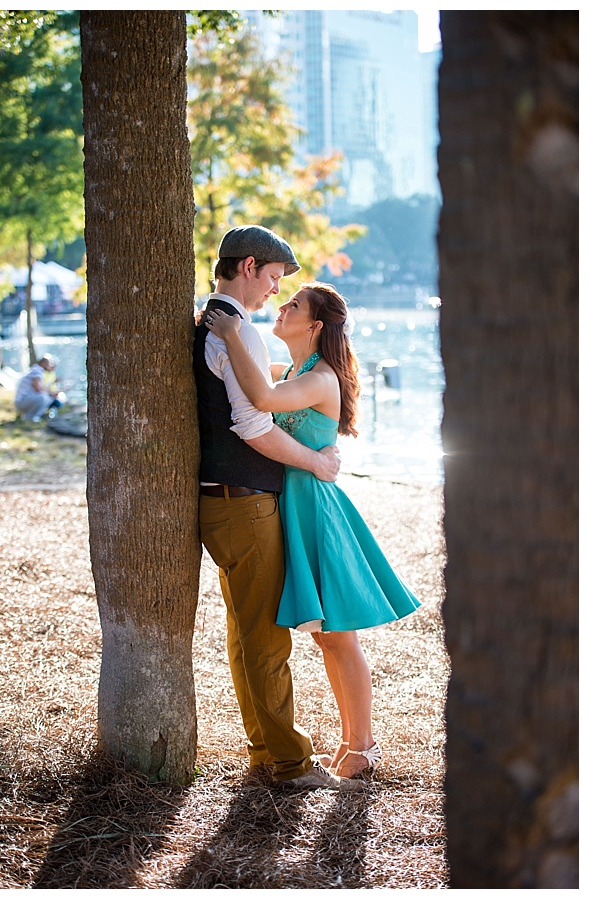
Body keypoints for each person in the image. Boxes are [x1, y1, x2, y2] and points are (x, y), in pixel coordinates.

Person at [204, 281, 420, 779]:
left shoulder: (321, 377)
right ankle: (354, 741)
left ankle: (363, 746)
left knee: (339, 636)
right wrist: (216, 330)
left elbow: (260, 395)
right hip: (292, 507)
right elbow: (251, 379)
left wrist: (233, 332)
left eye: (294, 304)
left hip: (316, 512)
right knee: (326, 638)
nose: (283, 306)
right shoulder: (298, 368)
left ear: (315, 326)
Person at [193, 225, 355, 791]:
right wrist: (316, 464)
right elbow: (254, 421)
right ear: (250, 267)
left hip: (221, 500)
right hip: (243, 503)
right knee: (264, 637)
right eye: (273, 281)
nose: (272, 293)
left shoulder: (212, 323)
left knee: (245, 633)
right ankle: (289, 762)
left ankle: (264, 748)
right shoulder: (236, 332)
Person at [14, 354, 63, 421]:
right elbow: (37, 388)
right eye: (48, 364)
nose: (49, 366)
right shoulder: (37, 371)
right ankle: (30, 417)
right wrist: (50, 393)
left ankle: (34, 416)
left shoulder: (37, 370)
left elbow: (42, 387)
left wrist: (51, 393)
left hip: (24, 400)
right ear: (43, 363)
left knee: (48, 398)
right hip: (21, 401)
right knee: (43, 397)